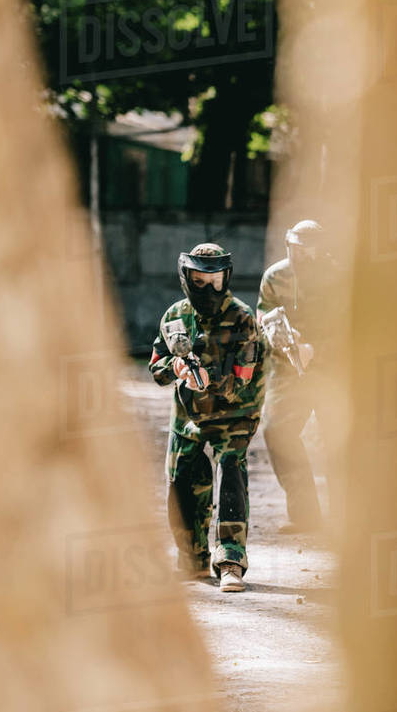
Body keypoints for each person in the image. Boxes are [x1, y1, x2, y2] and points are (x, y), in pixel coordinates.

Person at [149, 243, 265, 592]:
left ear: (226, 278)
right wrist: (177, 368)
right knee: (182, 481)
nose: (210, 289)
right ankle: (193, 559)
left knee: (231, 475)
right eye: (201, 280)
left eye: (216, 281)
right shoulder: (174, 318)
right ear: (188, 278)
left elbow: (242, 380)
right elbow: (156, 367)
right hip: (187, 416)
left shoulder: (242, 318)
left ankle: (230, 562)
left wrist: (206, 377)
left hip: (235, 414)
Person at [256, 220, 328, 534]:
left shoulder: (339, 277)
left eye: (305, 248)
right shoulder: (276, 276)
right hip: (287, 370)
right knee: (277, 431)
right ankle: (305, 514)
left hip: (332, 372)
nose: (298, 253)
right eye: (294, 246)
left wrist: (315, 349)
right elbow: (263, 314)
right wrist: (275, 333)